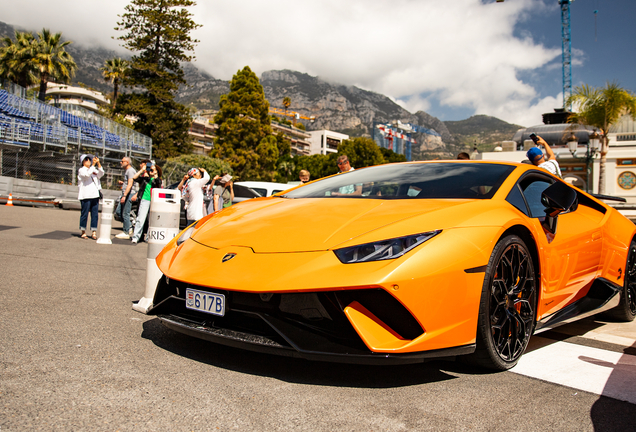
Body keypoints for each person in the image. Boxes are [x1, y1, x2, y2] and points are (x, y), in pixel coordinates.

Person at [131, 161, 163, 244]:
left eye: (154, 170)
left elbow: (158, 183)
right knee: (140, 219)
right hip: (145, 199)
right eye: (151, 170)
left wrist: (155, 174)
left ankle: (149, 237)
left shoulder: (158, 180)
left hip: (154, 201)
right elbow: (135, 178)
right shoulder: (145, 179)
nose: (152, 171)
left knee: (152, 220)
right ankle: (135, 237)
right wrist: (142, 170)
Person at [77, 154, 104, 240]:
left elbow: (101, 173)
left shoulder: (93, 170)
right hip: (85, 195)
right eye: (86, 159)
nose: (89, 161)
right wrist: (93, 165)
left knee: (95, 214)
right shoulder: (81, 170)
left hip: (95, 195)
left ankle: (94, 232)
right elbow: (87, 175)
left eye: (90, 159)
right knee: (85, 214)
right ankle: (83, 231)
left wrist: (98, 163)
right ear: (83, 162)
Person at [115, 156, 137, 239]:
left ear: (127, 162)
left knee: (125, 213)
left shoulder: (130, 171)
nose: (121, 162)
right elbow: (128, 182)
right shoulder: (128, 171)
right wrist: (123, 183)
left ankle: (126, 231)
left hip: (128, 194)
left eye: (122, 161)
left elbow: (130, 184)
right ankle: (129, 226)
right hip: (125, 194)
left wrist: (124, 195)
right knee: (118, 212)